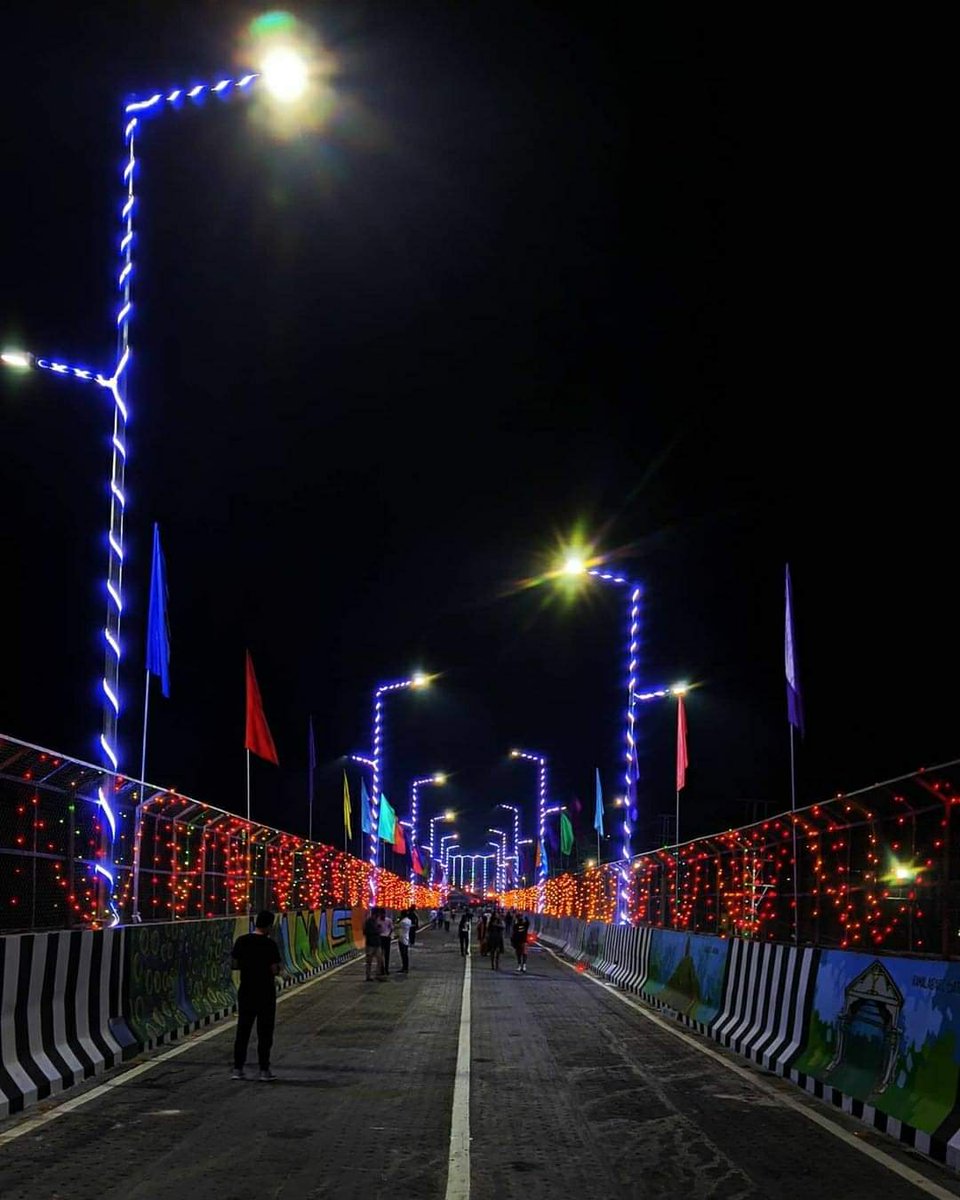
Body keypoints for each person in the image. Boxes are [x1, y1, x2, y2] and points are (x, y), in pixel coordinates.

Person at [231, 910, 282, 1081]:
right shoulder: (270, 944)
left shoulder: (242, 941)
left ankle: (237, 1069)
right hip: (265, 992)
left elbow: (234, 964)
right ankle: (264, 1070)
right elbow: (275, 969)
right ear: (269, 926)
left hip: (246, 990)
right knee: (265, 1032)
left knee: (243, 1031)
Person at [364, 907, 385, 982]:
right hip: (371, 944)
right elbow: (365, 932)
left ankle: (377, 975)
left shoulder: (376, 921)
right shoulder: (369, 922)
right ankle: (368, 976)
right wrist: (377, 930)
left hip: (377, 943)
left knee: (380, 960)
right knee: (369, 961)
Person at [378, 908, 394, 974]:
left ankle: (386, 969)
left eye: (383, 914)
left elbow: (392, 928)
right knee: (380, 954)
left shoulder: (388, 920)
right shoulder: (378, 921)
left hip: (387, 938)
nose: (383, 915)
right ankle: (382, 968)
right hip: (381, 938)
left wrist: (389, 935)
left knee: (387, 954)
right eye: (381, 914)